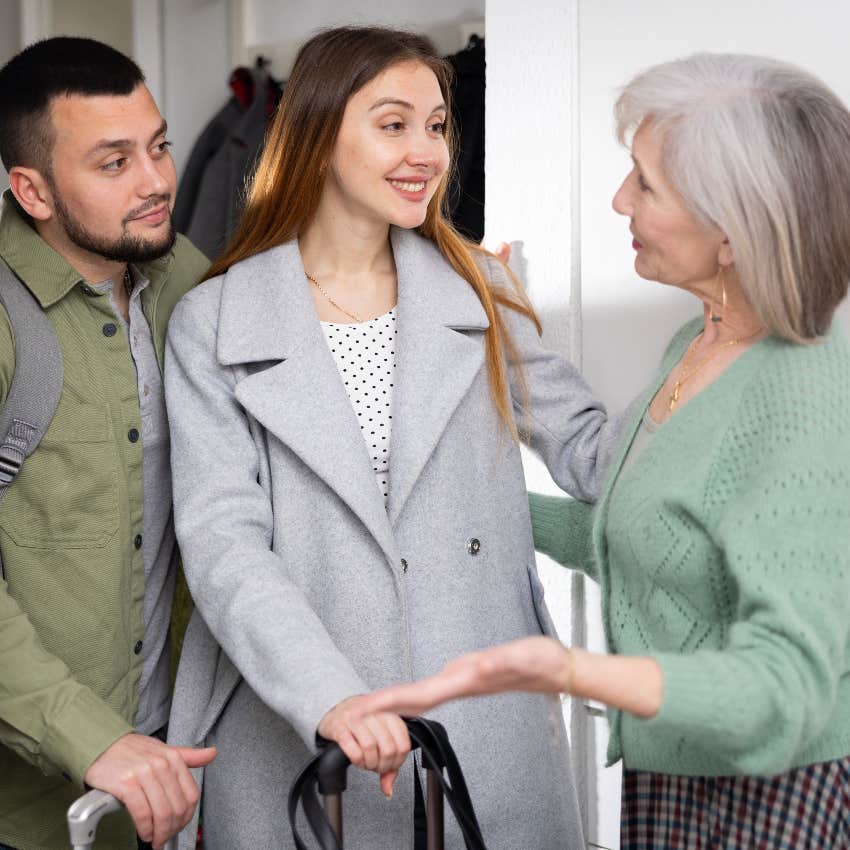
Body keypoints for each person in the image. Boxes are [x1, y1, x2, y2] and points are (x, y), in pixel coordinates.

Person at [359, 53, 850, 849]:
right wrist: (466, 499)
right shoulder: (702, 340)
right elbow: (650, 538)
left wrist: (564, 669)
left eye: (646, 184)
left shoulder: (804, 400)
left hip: (765, 796)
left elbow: (784, 689)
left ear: (732, 230)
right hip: (675, 771)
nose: (620, 199)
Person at [164, 25, 621, 850]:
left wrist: (729, 373)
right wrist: (330, 695)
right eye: (393, 123)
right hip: (299, 731)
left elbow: (591, 448)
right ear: (318, 129)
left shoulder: (478, 287)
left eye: (438, 126)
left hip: (482, 722)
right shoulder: (216, 320)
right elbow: (224, 544)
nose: (427, 151)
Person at [0, 38, 215, 850]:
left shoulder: (181, 278)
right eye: (114, 162)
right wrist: (88, 735)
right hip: (27, 813)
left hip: (176, 772)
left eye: (157, 146)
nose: (157, 180)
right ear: (34, 190)